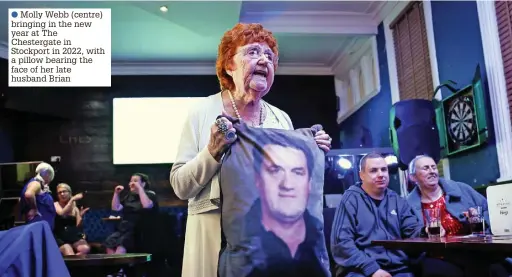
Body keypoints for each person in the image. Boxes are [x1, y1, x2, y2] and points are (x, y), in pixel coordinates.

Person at [170, 22, 332, 277]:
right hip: (214, 241)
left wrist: (314, 149)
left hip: (268, 251)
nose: (264, 60)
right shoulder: (201, 112)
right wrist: (212, 151)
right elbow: (180, 186)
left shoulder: (281, 120)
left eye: (269, 56)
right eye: (253, 52)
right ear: (229, 65)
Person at [236, 132, 329, 277]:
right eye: (275, 171)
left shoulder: (323, 237)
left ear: (309, 183)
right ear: (258, 179)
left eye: (297, 172)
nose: (287, 184)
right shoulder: (238, 235)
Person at [331, 152, 421, 277]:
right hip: (359, 269)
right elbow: (341, 243)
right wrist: (372, 269)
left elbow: (412, 232)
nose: (381, 174)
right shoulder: (351, 199)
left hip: (398, 269)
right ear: (361, 175)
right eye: (373, 170)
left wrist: (426, 231)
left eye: (384, 170)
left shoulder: (397, 200)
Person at [104, 173, 159, 254]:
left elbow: (147, 205)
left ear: (143, 184)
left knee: (121, 246)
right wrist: (116, 193)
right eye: (131, 181)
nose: (132, 183)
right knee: (109, 243)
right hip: (124, 228)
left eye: (135, 181)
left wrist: (139, 189)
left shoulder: (150, 194)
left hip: (139, 229)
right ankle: (116, 266)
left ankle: (121, 265)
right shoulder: (129, 196)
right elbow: (116, 208)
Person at [53, 183, 90, 255]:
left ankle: (77, 264)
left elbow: (78, 225)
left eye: (64, 191)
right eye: (59, 193)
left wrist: (81, 216)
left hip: (73, 235)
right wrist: (72, 199)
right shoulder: (55, 205)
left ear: (70, 193)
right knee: (69, 252)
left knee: (85, 249)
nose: (62, 194)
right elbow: (62, 213)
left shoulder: (75, 208)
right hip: (60, 236)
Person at [20, 162, 57, 230]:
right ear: (46, 173)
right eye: (49, 177)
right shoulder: (36, 183)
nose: (49, 181)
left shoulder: (37, 184)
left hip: (42, 225)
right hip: (39, 225)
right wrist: (34, 209)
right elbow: (29, 194)